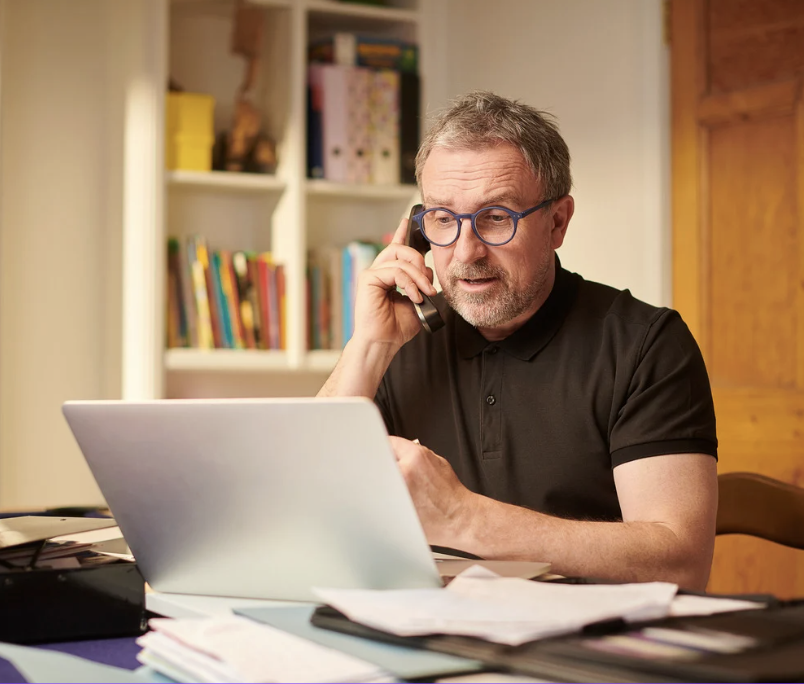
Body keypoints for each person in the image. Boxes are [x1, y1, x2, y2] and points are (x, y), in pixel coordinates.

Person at [319, 91, 718, 591]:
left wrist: (466, 519)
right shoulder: (399, 336)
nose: (466, 252)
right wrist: (370, 346)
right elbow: (299, 508)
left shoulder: (645, 346)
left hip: (585, 649)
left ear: (557, 222)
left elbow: (680, 563)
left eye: (496, 217)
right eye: (443, 218)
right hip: (430, 631)